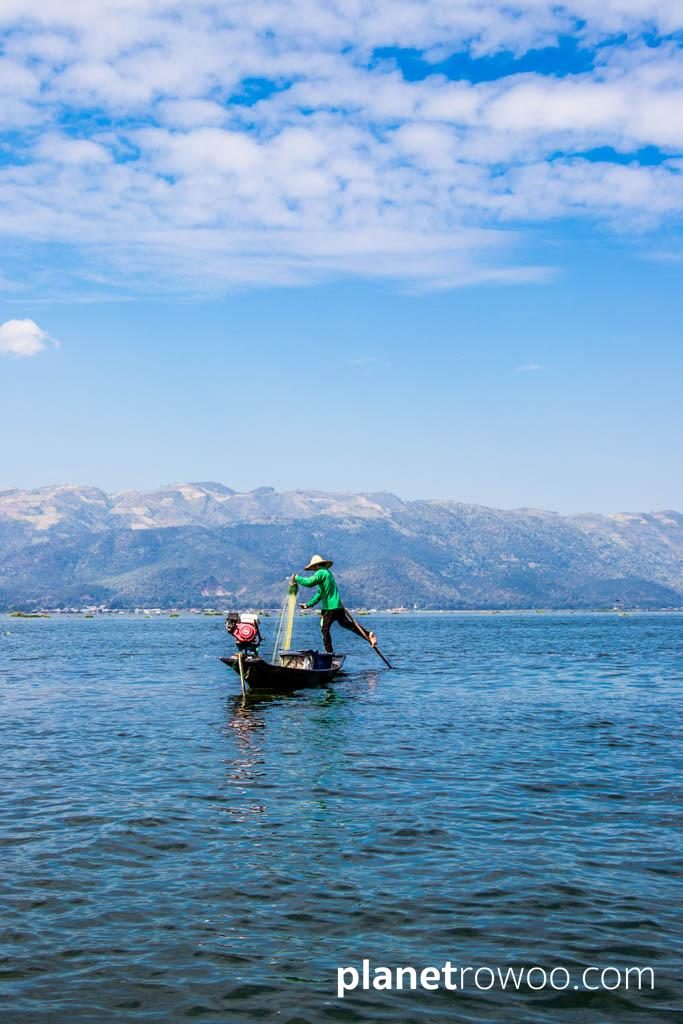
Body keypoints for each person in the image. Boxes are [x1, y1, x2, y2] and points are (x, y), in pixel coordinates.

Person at [292, 554, 378, 655]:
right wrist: (308, 605)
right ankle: (368, 634)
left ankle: (329, 654)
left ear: (316, 566)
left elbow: (309, 582)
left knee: (324, 630)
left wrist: (296, 578)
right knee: (346, 624)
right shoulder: (327, 573)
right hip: (338, 607)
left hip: (329, 608)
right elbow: (319, 593)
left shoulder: (321, 572)